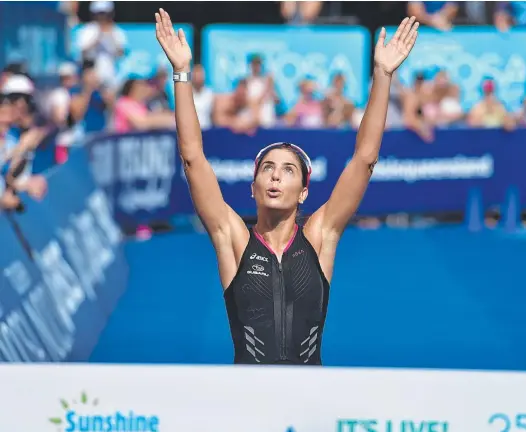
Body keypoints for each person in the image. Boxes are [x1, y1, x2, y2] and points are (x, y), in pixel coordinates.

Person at [155, 9, 419, 365]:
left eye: (288, 170)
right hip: (249, 401)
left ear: (304, 191)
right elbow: (192, 158)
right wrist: (181, 73)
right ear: (254, 187)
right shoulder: (231, 238)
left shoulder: (320, 236)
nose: (276, 176)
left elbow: (364, 159)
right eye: (268, 168)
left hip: (308, 400)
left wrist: (383, 74)